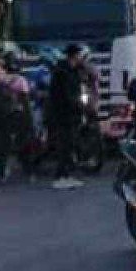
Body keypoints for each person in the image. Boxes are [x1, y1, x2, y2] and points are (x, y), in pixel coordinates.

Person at [47, 43, 87, 190]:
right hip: (64, 114)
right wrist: (78, 105)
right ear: (74, 55)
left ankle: (66, 175)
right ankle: (62, 176)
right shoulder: (63, 72)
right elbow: (66, 95)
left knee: (70, 145)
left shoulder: (72, 71)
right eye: (79, 55)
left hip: (70, 114)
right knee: (66, 146)